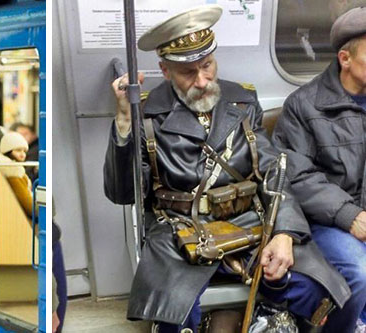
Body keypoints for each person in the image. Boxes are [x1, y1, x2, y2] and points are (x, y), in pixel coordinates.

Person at [103, 5, 350, 332]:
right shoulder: (147, 113)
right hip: (180, 232)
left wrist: (285, 233)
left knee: (318, 291)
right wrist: (124, 121)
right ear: (165, 71)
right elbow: (122, 192)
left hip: (246, 222)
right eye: (188, 73)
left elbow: (275, 171)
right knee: (177, 317)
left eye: (207, 66)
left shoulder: (242, 102)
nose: (203, 80)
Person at [272, 6, 366, 332]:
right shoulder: (304, 106)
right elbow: (295, 175)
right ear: (345, 59)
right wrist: (350, 216)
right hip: (327, 222)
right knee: (359, 270)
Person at [0, 131, 33, 217]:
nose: (22, 154)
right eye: (18, 150)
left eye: (24, 151)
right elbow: (28, 206)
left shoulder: (13, 168)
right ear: (8, 151)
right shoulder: (13, 171)